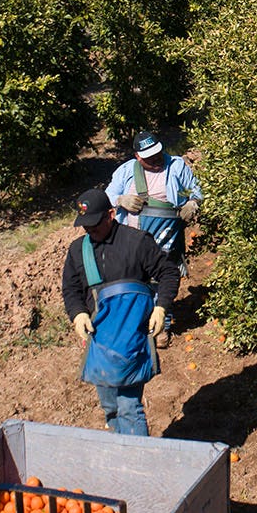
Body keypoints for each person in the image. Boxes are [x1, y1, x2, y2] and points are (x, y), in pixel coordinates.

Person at [61, 187, 180, 436]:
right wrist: (78, 314)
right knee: (110, 406)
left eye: (95, 224)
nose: (90, 231)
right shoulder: (77, 251)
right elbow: (71, 289)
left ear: (111, 215)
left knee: (128, 406)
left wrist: (161, 307)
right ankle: (121, 453)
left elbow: (168, 272)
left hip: (131, 339)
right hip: (99, 340)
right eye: (85, 226)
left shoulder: (137, 242)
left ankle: (141, 462)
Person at [106, 131, 202, 304]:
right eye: (149, 157)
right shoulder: (126, 171)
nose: (156, 159)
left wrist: (193, 203)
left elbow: (197, 190)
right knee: (136, 283)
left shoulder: (176, 166)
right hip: (132, 241)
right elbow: (108, 196)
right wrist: (120, 200)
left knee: (163, 282)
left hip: (167, 239)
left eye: (158, 154)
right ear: (138, 157)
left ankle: (163, 322)